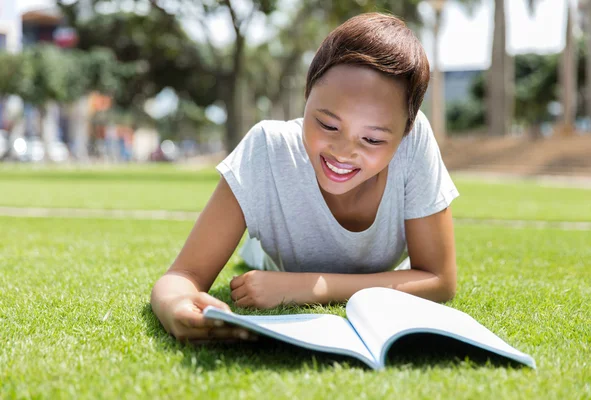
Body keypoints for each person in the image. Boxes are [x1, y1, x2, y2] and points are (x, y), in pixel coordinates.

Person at [151, 12, 459, 343]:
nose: (343, 151)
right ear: (306, 96)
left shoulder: (414, 143)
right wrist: (176, 304)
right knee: (252, 256)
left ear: (405, 132)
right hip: (265, 256)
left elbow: (440, 279)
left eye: (372, 139)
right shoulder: (267, 150)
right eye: (327, 125)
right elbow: (183, 275)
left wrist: (305, 286)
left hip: (286, 276)